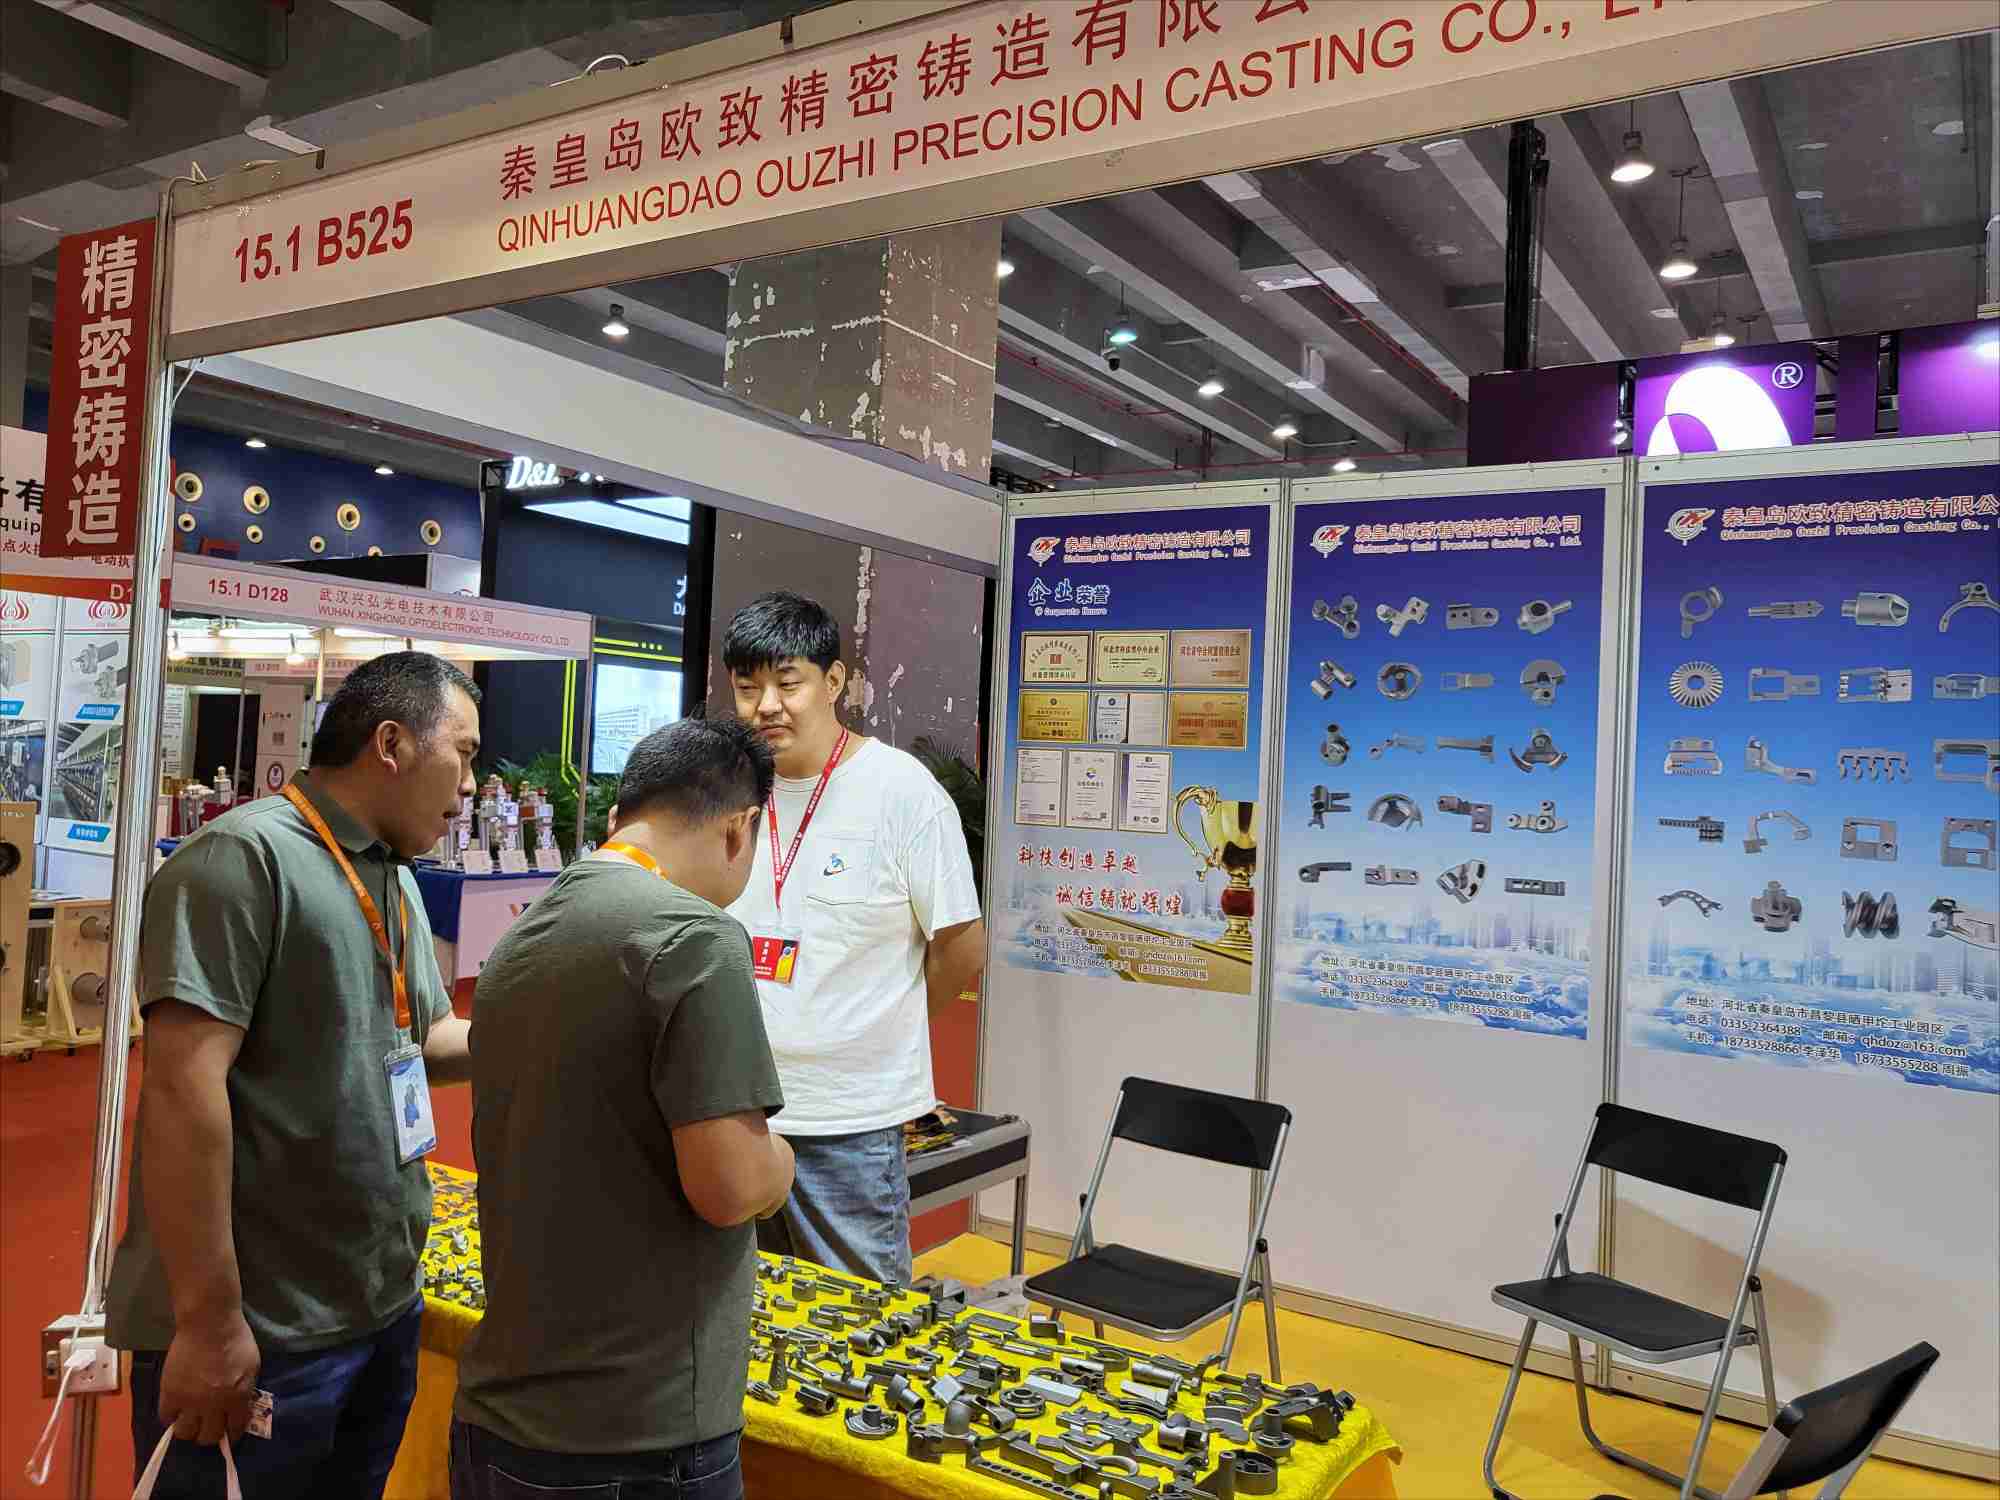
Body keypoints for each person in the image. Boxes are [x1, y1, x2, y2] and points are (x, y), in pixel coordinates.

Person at [106, 652, 481, 1499]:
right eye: (462, 753)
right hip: (263, 1329)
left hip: (376, 1312)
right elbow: (182, 1094)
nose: (469, 785)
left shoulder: (392, 873)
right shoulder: (241, 860)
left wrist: (545, 1027)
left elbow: (424, 1042)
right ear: (392, 744)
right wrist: (208, 1324)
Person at [452, 717, 792, 1500]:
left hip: (503, 1415)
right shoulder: (695, 937)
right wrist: (781, 1162)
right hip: (639, 1434)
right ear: (739, 828)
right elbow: (731, 1186)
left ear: (620, 813)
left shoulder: (525, 932)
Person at [724, 591, 985, 1285]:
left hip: (850, 1120)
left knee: (861, 1310)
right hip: (734, 1109)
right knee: (739, 1309)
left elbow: (962, 945)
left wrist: (883, 1027)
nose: (767, 706)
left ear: (834, 681)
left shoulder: (901, 790)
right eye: (747, 689)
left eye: (788, 683)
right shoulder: (725, 789)